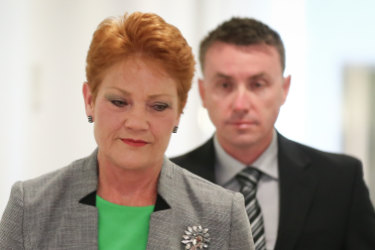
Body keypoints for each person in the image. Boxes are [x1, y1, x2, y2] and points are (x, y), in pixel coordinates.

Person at [0, 12, 255, 250]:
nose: (137, 122)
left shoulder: (223, 214)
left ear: (179, 111)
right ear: (89, 100)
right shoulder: (31, 207)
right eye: (119, 102)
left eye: (158, 106)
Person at [171, 17, 375, 250]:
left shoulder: (340, 180)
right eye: (225, 85)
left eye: (257, 85)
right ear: (203, 92)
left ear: (284, 89)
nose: (240, 104)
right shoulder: (168, 181)